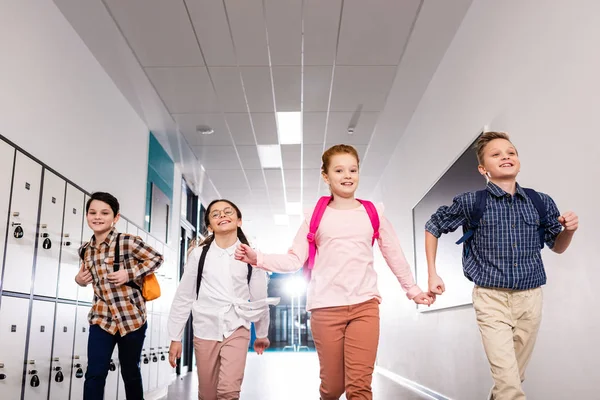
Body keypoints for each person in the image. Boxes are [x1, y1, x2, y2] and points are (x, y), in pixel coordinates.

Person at [235, 144, 433, 400]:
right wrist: (257, 258)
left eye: (353, 169)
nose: (347, 175)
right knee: (332, 388)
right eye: (339, 170)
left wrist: (413, 290)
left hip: (365, 305)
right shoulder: (315, 216)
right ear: (326, 176)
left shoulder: (373, 213)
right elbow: (294, 259)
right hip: (326, 308)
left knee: (360, 387)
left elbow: (394, 254)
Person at [425, 132, 578, 399]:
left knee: (514, 377)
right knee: (509, 384)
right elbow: (433, 226)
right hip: (491, 298)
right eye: (496, 154)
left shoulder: (540, 201)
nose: (506, 156)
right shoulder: (471, 202)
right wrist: (431, 273)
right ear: (483, 169)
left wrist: (569, 231)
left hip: (531, 299)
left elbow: (558, 246)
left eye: (510, 152)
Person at [168, 199, 278, 400]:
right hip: (205, 329)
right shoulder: (199, 255)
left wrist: (261, 333)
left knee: (229, 392)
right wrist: (175, 337)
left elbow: (259, 299)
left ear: (239, 221)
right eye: (215, 214)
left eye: (228, 212)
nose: (222, 216)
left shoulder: (251, 256)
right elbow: (184, 296)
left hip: (237, 326)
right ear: (209, 226)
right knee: (207, 394)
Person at [75, 191, 163, 400]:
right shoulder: (85, 250)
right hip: (101, 318)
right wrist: (78, 280)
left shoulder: (128, 242)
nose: (97, 217)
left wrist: (129, 273)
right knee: (95, 373)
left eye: (105, 213)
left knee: (130, 373)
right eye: (92, 212)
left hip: (131, 318)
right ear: (87, 216)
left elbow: (157, 259)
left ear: (115, 218)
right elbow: (85, 278)